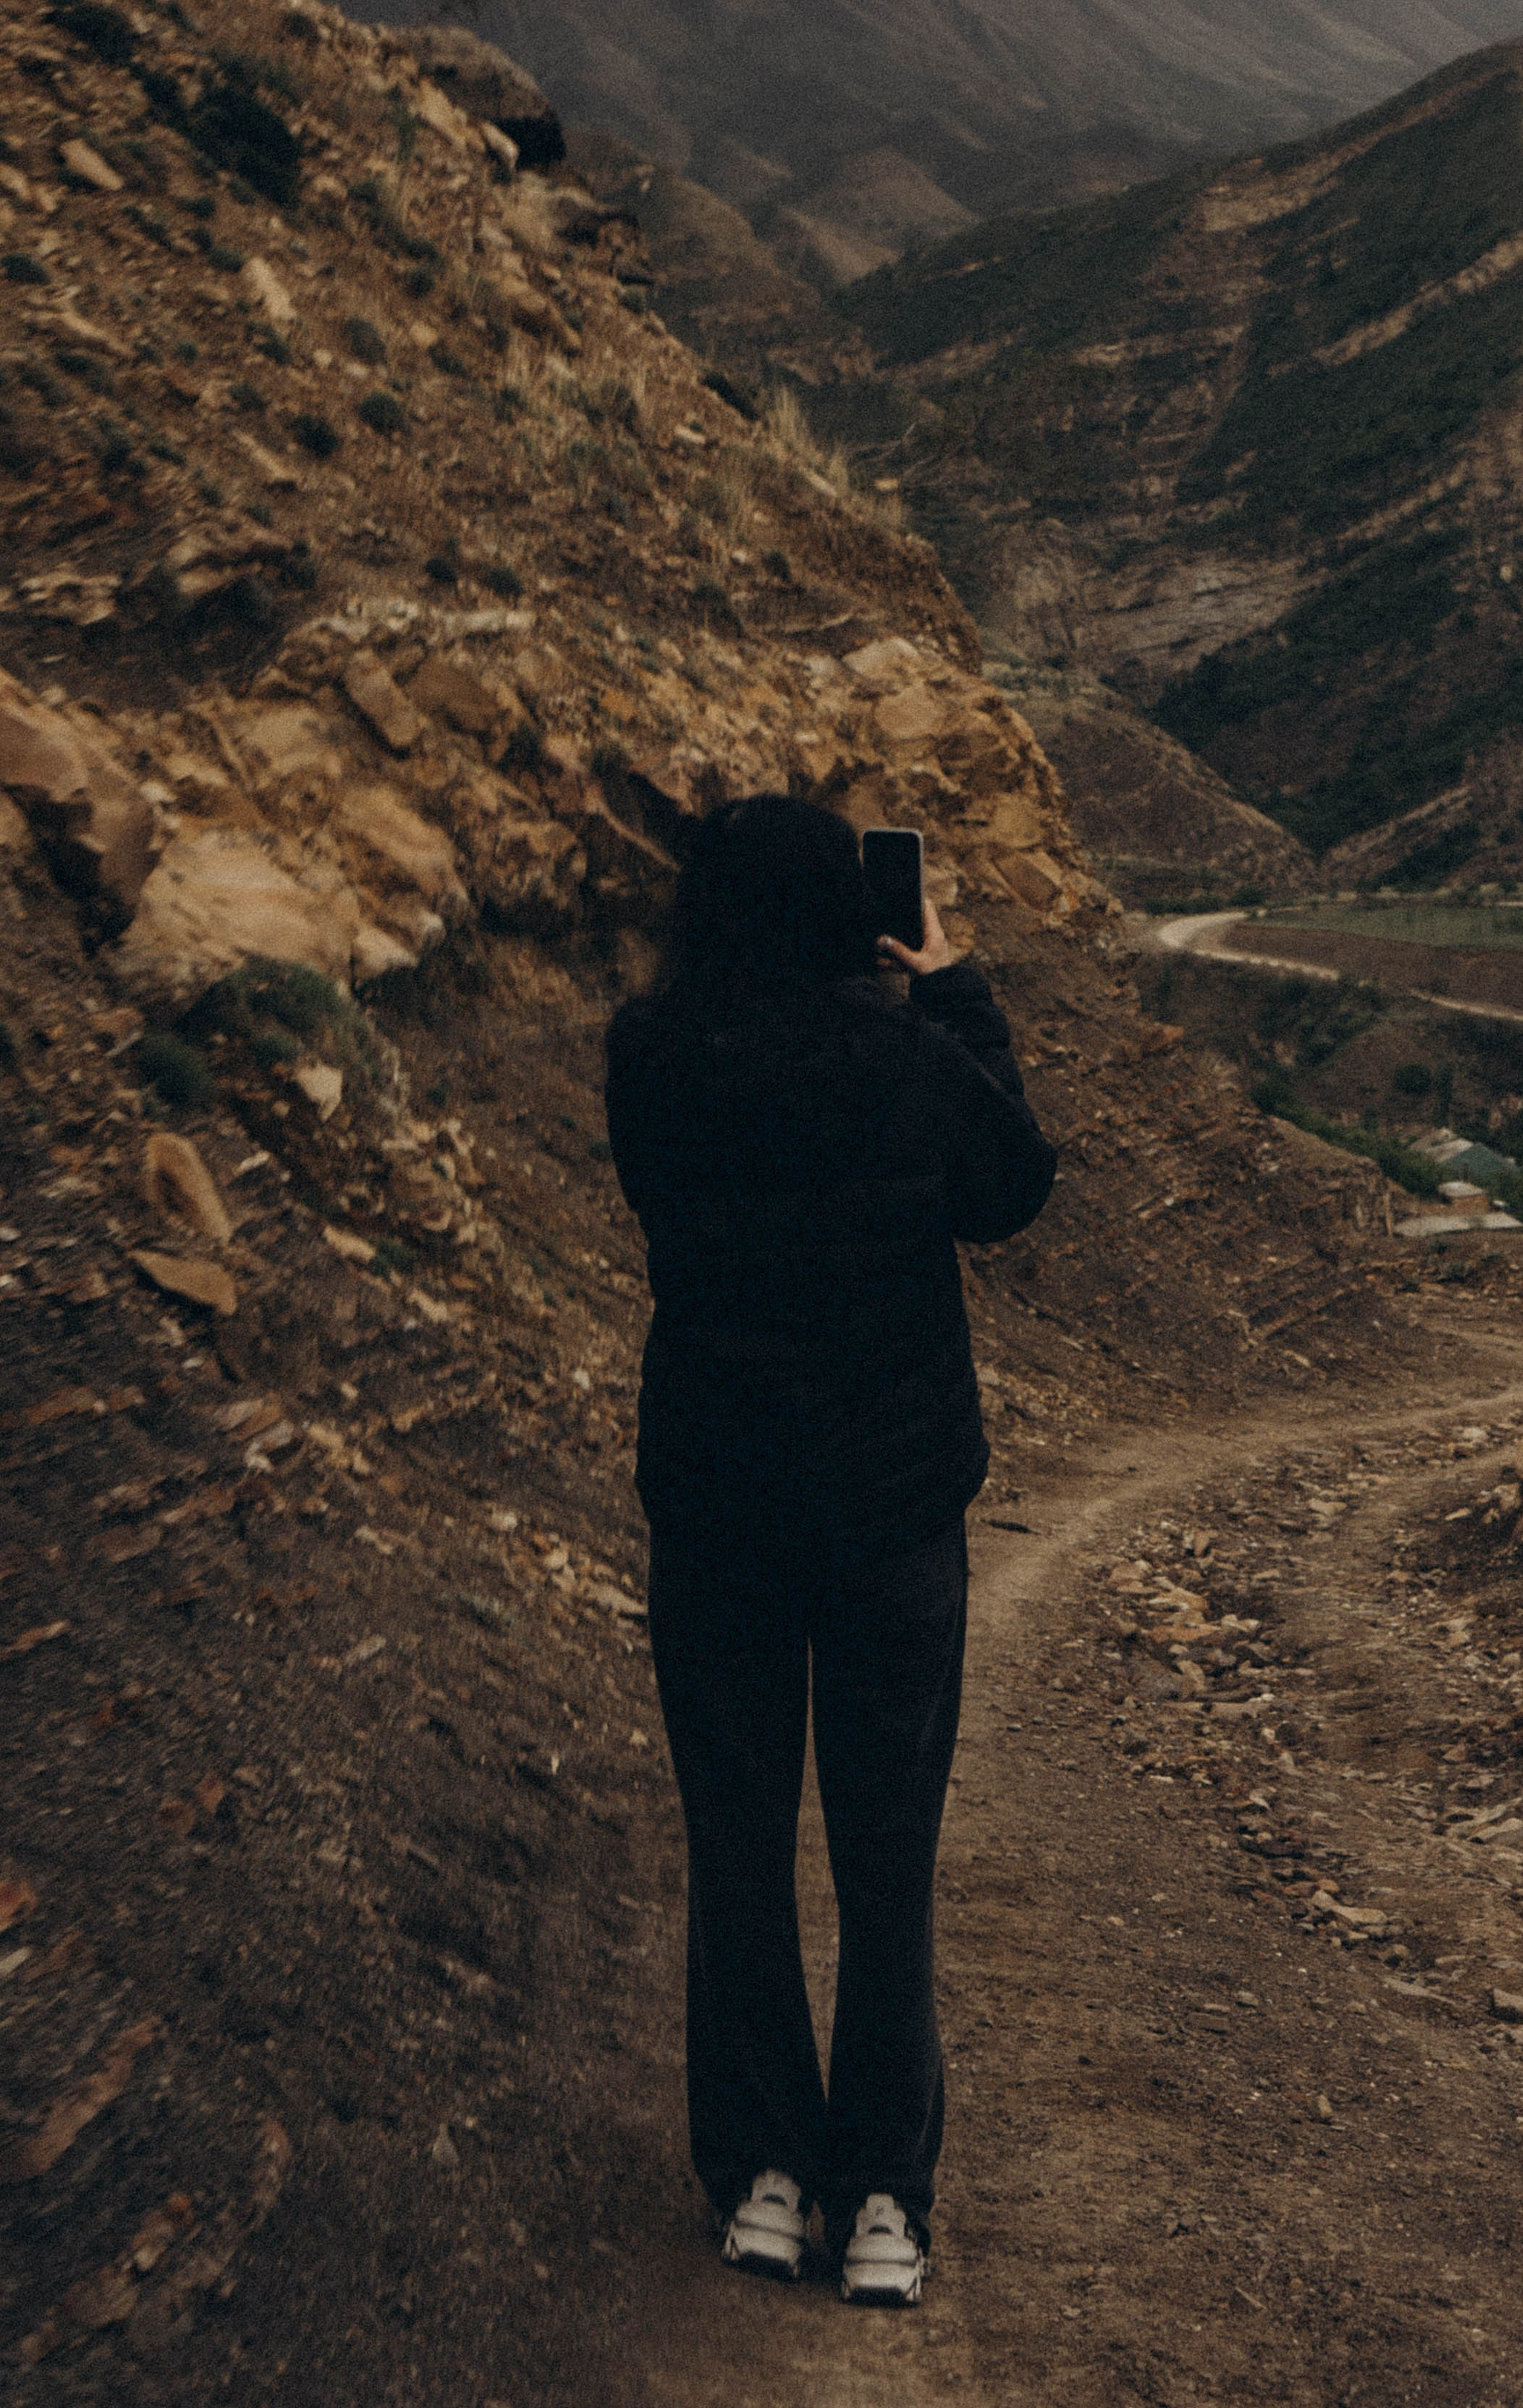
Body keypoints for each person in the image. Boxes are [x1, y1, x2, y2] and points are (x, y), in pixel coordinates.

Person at [603, 794, 1056, 2306]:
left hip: (721, 1503)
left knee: (736, 1848)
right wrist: (951, 986)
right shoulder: (905, 1052)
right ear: (840, 907)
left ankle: (761, 2181)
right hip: (890, 1513)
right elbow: (1010, 1191)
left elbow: (666, 1209)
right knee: (886, 1858)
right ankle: (883, 2202)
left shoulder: (648, 1057)